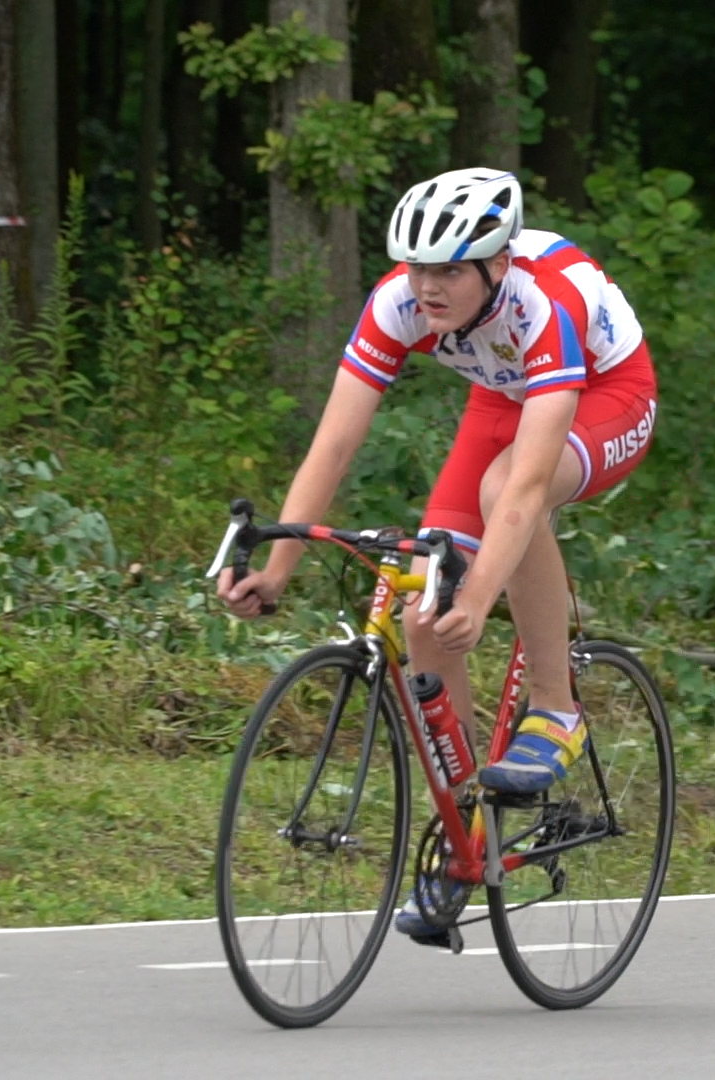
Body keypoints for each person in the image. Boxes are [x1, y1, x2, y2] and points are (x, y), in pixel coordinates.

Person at [214, 167, 658, 936]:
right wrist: (275, 569)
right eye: (418, 266)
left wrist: (482, 597)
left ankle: (555, 709)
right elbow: (336, 440)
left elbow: (520, 494)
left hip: (609, 393)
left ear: (497, 264)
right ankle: (464, 848)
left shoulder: (541, 306)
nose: (429, 285)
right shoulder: (396, 303)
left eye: (450, 268)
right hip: (503, 398)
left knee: (500, 496)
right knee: (424, 612)